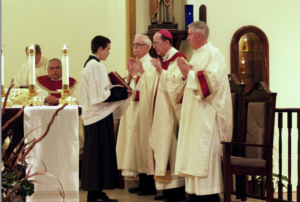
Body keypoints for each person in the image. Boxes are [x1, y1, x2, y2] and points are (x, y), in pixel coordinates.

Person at [175, 21, 233, 202]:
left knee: (204, 153)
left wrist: (189, 75)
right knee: (193, 154)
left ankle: (208, 195)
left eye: (190, 35)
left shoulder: (214, 53)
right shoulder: (196, 55)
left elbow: (212, 81)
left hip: (207, 116)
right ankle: (193, 193)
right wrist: (186, 76)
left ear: (200, 36)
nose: (187, 38)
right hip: (195, 115)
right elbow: (192, 79)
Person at [132, 29, 187, 202]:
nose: (154, 47)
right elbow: (152, 85)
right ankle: (166, 191)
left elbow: (178, 86)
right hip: (159, 112)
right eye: (154, 43)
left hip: (170, 115)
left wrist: (161, 73)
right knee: (162, 149)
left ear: (167, 42)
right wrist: (143, 72)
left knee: (170, 150)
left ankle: (176, 192)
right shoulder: (162, 61)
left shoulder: (179, 58)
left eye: (156, 43)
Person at [79, 35, 131, 202]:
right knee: (98, 156)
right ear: (100, 49)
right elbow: (102, 95)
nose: (109, 52)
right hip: (98, 117)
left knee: (96, 156)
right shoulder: (96, 66)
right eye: (108, 49)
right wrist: (123, 91)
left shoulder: (88, 65)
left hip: (93, 117)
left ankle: (97, 192)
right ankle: (94, 194)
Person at [116, 35, 157, 196]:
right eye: (134, 44)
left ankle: (149, 184)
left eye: (139, 45)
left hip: (143, 109)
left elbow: (150, 85)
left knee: (143, 144)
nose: (135, 47)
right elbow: (128, 85)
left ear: (148, 47)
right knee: (133, 145)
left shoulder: (152, 64)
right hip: (131, 108)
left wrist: (139, 73)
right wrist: (129, 75)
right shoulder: (134, 61)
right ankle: (141, 182)